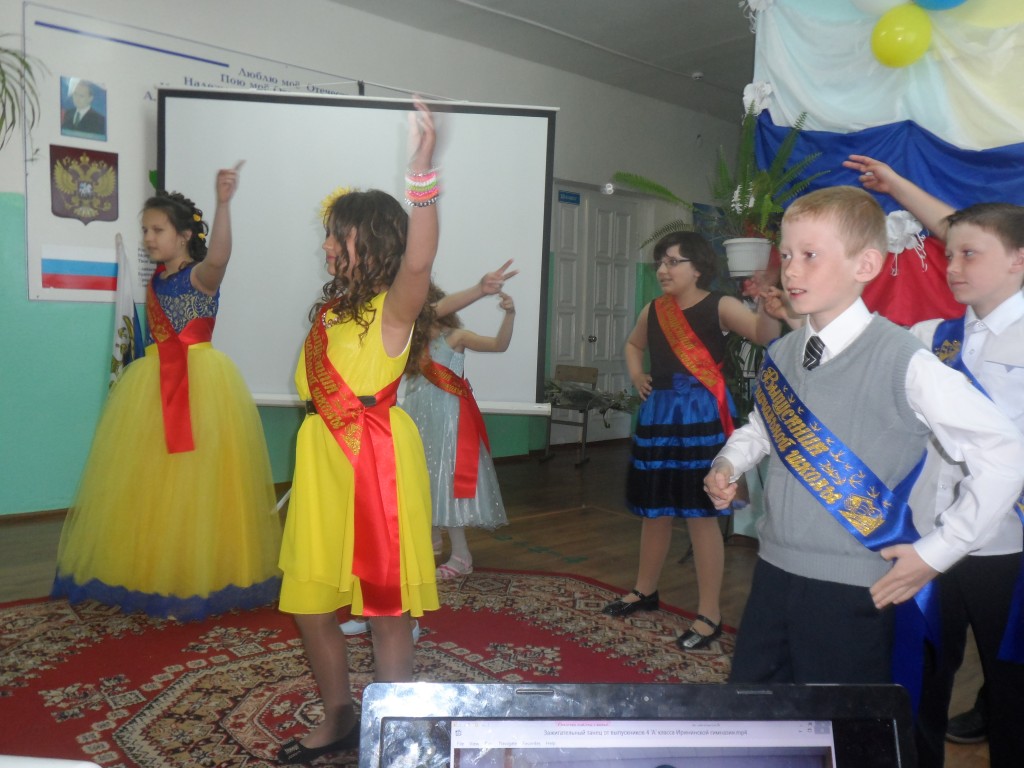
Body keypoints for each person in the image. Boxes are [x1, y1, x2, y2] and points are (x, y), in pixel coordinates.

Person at [703, 185, 1024, 690]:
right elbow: (763, 426)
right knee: (756, 705)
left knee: (840, 721)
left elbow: (1005, 454)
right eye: (787, 255)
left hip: (854, 587)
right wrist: (729, 462)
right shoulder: (783, 353)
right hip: (772, 570)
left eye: (810, 255)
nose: (791, 271)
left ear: (867, 265)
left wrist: (937, 552)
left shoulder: (904, 359)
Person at [845, 154, 1024, 768]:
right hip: (928, 537)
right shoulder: (935, 336)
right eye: (950, 255)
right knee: (920, 674)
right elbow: (863, 350)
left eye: (969, 255)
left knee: (1011, 687)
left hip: (1008, 547)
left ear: (1019, 259)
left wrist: (900, 185)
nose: (952, 266)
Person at [276, 99, 440, 765]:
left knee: (386, 611)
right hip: (323, 464)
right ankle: (341, 713)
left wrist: (421, 174)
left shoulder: (392, 308)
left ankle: (395, 733)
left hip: (376, 465)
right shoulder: (330, 314)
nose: (324, 245)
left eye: (335, 235)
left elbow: (419, 265)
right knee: (311, 606)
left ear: (370, 244)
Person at [52, 164, 283, 620]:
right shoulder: (156, 280)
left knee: (195, 483)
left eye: (157, 230)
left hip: (200, 387)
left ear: (184, 236)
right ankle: (153, 570)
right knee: (151, 483)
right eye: (145, 230)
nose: (148, 238)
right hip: (154, 383)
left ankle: (197, 575)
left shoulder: (200, 276)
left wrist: (223, 204)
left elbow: (220, 257)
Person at [601, 230, 782, 651]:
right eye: (660, 263)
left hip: (700, 416)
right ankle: (645, 590)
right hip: (660, 416)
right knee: (655, 511)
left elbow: (763, 334)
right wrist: (636, 374)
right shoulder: (653, 310)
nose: (663, 270)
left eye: (673, 262)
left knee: (701, 515)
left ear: (698, 268)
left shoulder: (720, 305)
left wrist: (765, 304)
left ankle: (709, 615)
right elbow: (633, 345)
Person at [408, 285, 516, 579]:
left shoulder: (455, 337)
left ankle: (461, 556)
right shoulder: (413, 343)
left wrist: (510, 315)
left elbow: (499, 345)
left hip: (449, 419)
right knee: (424, 477)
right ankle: (431, 541)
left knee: (446, 479)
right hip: (420, 417)